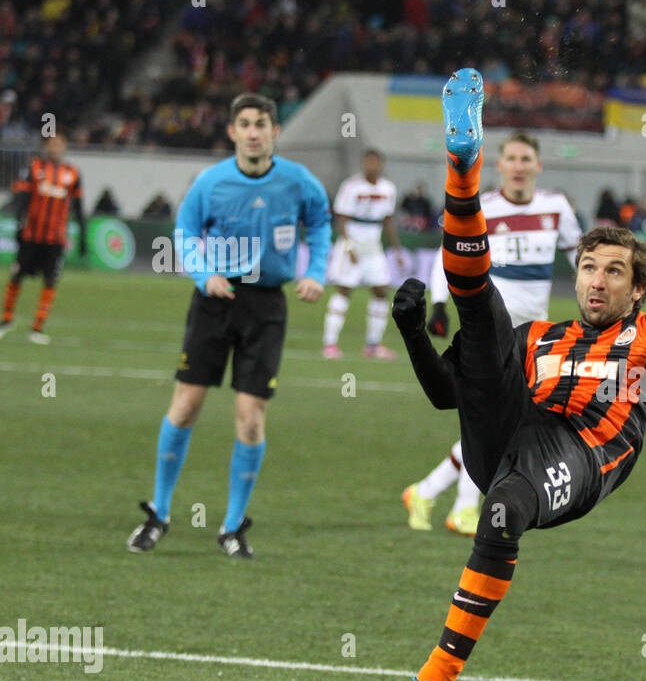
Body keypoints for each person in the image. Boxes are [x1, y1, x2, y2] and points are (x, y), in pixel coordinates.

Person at [367, 68, 646, 681]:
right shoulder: (539, 337)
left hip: (583, 454)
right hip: (508, 440)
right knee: (479, 307)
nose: (596, 280)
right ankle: (463, 167)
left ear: (637, 287)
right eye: (587, 267)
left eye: (614, 271)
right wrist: (410, 330)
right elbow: (446, 396)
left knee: (501, 511)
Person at [126, 93, 329, 558]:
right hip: (214, 303)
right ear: (232, 131)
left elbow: (319, 224)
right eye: (245, 123)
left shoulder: (299, 182)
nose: (254, 131)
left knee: (251, 417)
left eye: (261, 123)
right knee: (186, 405)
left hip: (267, 307)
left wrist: (316, 270)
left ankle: (233, 526)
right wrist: (203, 274)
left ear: (275, 131)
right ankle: (158, 512)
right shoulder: (210, 182)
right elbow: (186, 231)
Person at [403, 130, 581, 536]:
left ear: (538, 165)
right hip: (488, 330)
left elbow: (580, 256)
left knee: (505, 423)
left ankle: (425, 491)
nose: (519, 166)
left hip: (536, 336)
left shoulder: (556, 208)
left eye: (526, 159)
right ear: (499, 165)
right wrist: (439, 304)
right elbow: (445, 251)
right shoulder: (482, 206)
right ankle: (464, 508)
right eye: (512, 159)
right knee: (496, 423)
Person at [1, 132, 85, 344]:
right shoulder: (34, 168)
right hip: (32, 236)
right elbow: (22, 199)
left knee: (50, 280)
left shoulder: (72, 173)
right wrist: (19, 224)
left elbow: (79, 207)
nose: (55, 148)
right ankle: (6, 319)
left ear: (65, 146)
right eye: (52, 144)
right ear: (46, 147)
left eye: (59, 144)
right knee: (17, 276)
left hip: (55, 239)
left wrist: (83, 236)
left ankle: (37, 327)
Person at [322, 149, 403, 360]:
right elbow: (341, 219)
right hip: (352, 244)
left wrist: (397, 249)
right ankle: (330, 344)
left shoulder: (388, 188)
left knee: (381, 290)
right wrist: (349, 247)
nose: (371, 166)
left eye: (375, 162)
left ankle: (373, 345)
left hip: (373, 246)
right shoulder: (351, 186)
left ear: (382, 164)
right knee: (343, 289)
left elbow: (387, 221)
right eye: (367, 162)